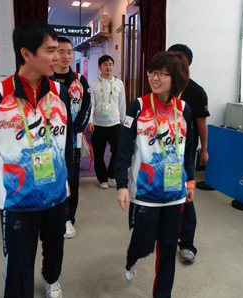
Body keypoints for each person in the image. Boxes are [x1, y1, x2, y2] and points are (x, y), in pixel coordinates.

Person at [0, 20, 73, 298]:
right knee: (19, 259)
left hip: (56, 192)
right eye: (51, 51)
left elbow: (67, 144)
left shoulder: (60, 94)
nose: (59, 58)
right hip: (18, 198)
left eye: (59, 51)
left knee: (55, 247)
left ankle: (50, 278)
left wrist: (68, 185)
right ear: (27, 54)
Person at [115, 51, 195, 298]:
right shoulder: (138, 106)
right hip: (144, 192)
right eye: (153, 72)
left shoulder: (184, 109)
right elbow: (124, 148)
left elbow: (188, 148)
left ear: (177, 77)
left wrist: (190, 180)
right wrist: (121, 184)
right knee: (140, 240)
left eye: (162, 73)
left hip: (175, 193)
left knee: (169, 248)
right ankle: (133, 259)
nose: (155, 77)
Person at [167, 44, 210, 264]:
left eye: (179, 58)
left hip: (185, 155)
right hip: (162, 154)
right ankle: (165, 238)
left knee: (186, 197)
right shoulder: (163, 85)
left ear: (188, 63)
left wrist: (204, 149)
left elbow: (202, 124)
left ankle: (187, 244)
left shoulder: (196, 91)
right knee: (164, 195)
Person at [49, 37, 91, 239]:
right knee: (50, 177)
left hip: (72, 140)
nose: (65, 57)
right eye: (60, 51)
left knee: (71, 180)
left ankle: (68, 219)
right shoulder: (45, 80)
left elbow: (87, 106)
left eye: (69, 52)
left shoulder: (80, 80)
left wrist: (75, 129)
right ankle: (49, 216)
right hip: (48, 142)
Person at [88, 55, 126, 189]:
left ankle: (112, 173)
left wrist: (123, 120)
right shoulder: (93, 84)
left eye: (110, 64)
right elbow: (91, 104)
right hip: (98, 124)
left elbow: (122, 103)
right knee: (98, 154)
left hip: (115, 123)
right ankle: (102, 179)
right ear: (99, 67)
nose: (108, 67)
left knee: (118, 151)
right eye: (105, 64)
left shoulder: (119, 83)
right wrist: (90, 121)